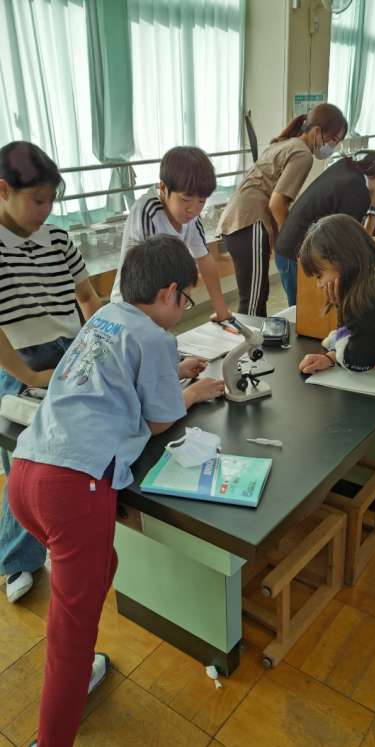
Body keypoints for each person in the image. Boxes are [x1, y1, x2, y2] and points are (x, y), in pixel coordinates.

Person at [9, 235, 225, 747]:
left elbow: (105, 381)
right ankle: (53, 735)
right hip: (73, 489)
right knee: (70, 632)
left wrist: (171, 374)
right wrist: (191, 392)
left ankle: (78, 670)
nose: (183, 308)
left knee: (101, 566)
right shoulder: (155, 336)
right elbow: (161, 418)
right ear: (169, 292)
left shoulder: (104, 318)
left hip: (27, 472)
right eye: (186, 299)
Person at [0, 141, 102, 603]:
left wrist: (101, 341)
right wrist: (29, 376)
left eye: (51, 200)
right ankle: (17, 559)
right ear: (4, 190)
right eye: (37, 200)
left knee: (73, 451)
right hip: (19, 361)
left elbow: (87, 298)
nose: (46, 211)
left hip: (73, 350)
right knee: (27, 464)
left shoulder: (58, 239)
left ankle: (67, 535)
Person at [217, 103, 348, 316]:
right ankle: (249, 338)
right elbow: (277, 203)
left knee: (256, 295)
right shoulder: (302, 154)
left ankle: (254, 337)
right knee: (253, 300)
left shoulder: (286, 143)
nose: (334, 146)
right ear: (317, 131)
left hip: (239, 220)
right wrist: (288, 243)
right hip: (249, 222)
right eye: (334, 139)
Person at [111, 145, 231, 321]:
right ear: (163, 188)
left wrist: (222, 311)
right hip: (130, 307)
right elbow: (146, 276)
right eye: (185, 199)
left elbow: (205, 260)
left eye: (201, 201)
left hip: (160, 306)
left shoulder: (191, 218)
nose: (193, 209)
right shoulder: (149, 212)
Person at [276, 150, 375, 306]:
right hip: (296, 253)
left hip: (290, 246)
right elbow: (345, 246)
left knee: (302, 308)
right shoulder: (357, 191)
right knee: (303, 309)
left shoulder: (351, 169)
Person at [297, 214, 375, 375]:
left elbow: (356, 362)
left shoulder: (372, 298)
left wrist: (342, 309)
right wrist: (332, 356)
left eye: (319, 275)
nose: (319, 285)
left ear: (342, 261)